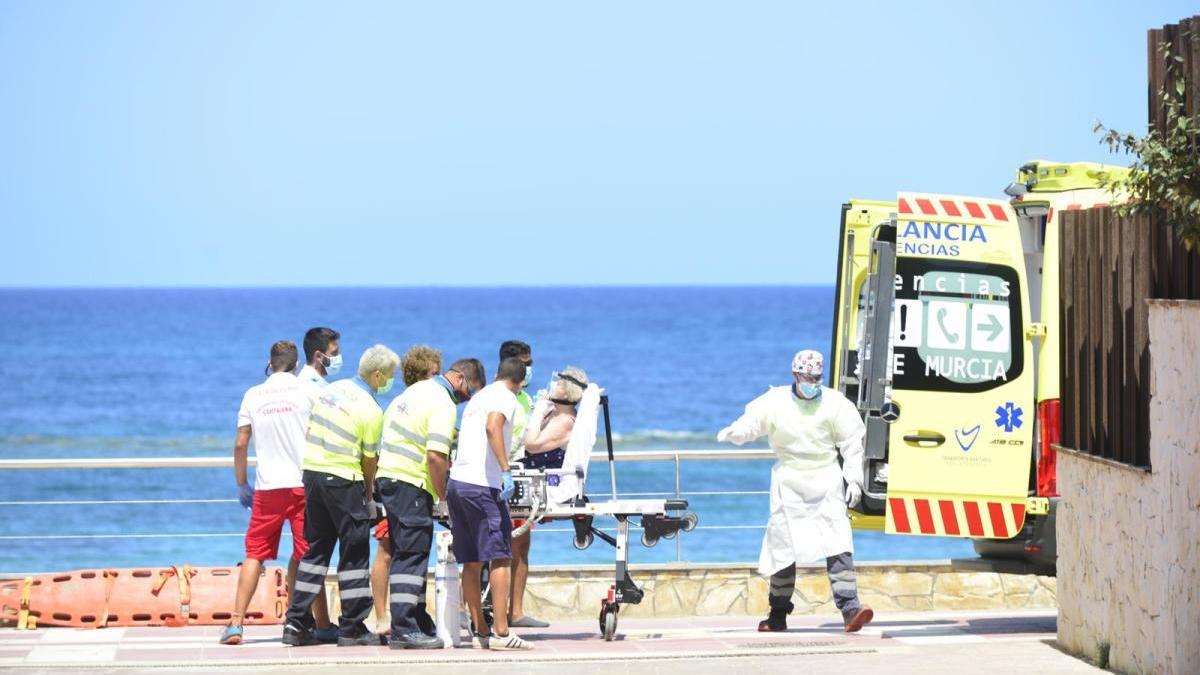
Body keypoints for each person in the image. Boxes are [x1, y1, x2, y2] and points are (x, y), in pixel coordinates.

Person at [716, 349, 874, 633]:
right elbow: (753, 422)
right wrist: (737, 433)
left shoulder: (835, 404)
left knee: (837, 543)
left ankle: (850, 609)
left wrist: (854, 480)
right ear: (795, 375)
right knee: (783, 548)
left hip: (826, 478)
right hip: (788, 482)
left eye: (816, 377)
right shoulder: (775, 401)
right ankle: (777, 614)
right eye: (806, 377)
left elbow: (852, 442)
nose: (811, 382)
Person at [282, 344, 399, 647]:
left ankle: (295, 623)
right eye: (389, 376)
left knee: (315, 551)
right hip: (344, 481)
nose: (390, 381)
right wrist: (370, 494)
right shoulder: (372, 409)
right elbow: (369, 460)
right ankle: (352, 626)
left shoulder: (333, 389)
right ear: (377, 374)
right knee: (354, 552)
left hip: (312, 475)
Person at [220, 341, 335, 645]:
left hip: (268, 487)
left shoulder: (253, 395)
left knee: (255, 553)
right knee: (307, 556)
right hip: (302, 485)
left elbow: (241, 443)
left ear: (269, 364)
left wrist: (242, 483)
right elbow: (321, 435)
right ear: (296, 365)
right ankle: (315, 623)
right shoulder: (307, 392)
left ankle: (235, 624)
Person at [375, 358, 485, 649]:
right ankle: (404, 630)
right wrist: (444, 497)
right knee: (411, 554)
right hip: (410, 481)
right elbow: (436, 457)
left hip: (390, 477)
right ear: (460, 380)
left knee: (408, 551)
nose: (465, 401)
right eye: (469, 393)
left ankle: (417, 620)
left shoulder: (415, 390)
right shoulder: (443, 403)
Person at [446, 357, 534, 651]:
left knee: (471, 561)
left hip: (457, 483)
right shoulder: (506, 397)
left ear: (497, 374)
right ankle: (501, 631)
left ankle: (480, 631)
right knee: (500, 556)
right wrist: (506, 469)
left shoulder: (478, 396)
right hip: (482, 486)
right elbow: (493, 426)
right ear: (520, 382)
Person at [370, 344, 444, 635]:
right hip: (407, 484)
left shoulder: (400, 401)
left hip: (389, 482)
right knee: (403, 553)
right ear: (430, 372)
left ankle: (410, 616)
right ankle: (399, 623)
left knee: (399, 552)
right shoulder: (427, 401)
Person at [509, 366, 589, 629]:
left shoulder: (565, 421)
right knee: (515, 548)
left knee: (518, 548)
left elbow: (532, 444)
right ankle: (510, 610)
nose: (553, 384)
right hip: (528, 481)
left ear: (566, 390)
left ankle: (514, 611)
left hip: (538, 487)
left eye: (558, 383)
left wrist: (537, 413)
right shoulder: (557, 417)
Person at [496, 340, 548, 629]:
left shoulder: (526, 398)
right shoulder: (496, 396)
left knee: (521, 545)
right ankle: (490, 612)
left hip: (522, 477)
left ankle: (516, 612)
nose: (530, 369)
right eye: (526, 363)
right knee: (492, 547)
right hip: (499, 476)